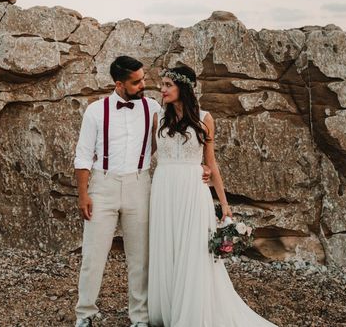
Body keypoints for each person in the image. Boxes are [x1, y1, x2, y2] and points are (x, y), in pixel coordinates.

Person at [73, 56, 210, 327]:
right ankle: (85, 314)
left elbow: (177, 136)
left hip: (140, 185)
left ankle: (139, 317)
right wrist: (83, 194)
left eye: (144, 79)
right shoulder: (96, 111)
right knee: (93, 254)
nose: (144, 85)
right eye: (137, 82)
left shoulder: (154, 108)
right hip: (103, 186)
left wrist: (198, 166)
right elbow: (83, 156)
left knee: (140, 258)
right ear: (119, 84)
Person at [147, 65, 277, 326]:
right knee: (166, 246)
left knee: (193, 250)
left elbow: (211, 162)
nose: (162, 90)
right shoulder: (157, 118)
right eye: (161, 84)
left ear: (183, 87)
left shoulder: (205, 119)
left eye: (167, 85)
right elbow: (147, 153)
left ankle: (192, 312)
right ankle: (169, 308)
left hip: (193, 189)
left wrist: (225, 205)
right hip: (163, 187)